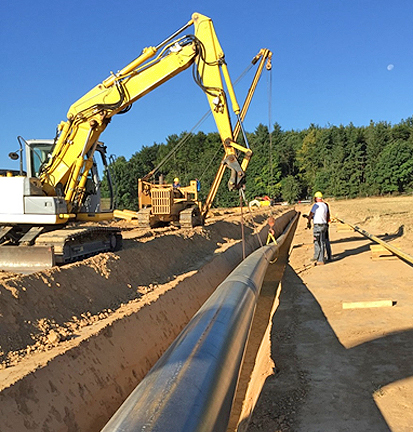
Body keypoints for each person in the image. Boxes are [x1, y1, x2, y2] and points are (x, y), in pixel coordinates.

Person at [306, 191, 331, 265]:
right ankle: (320, 258)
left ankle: (319, 259)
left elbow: (311, 214)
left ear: (316, 198)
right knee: (322, 242)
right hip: (324, 225)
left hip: (318, 226)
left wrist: (308, 222)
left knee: (317, 242)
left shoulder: (316, 205)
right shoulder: (325, 205)